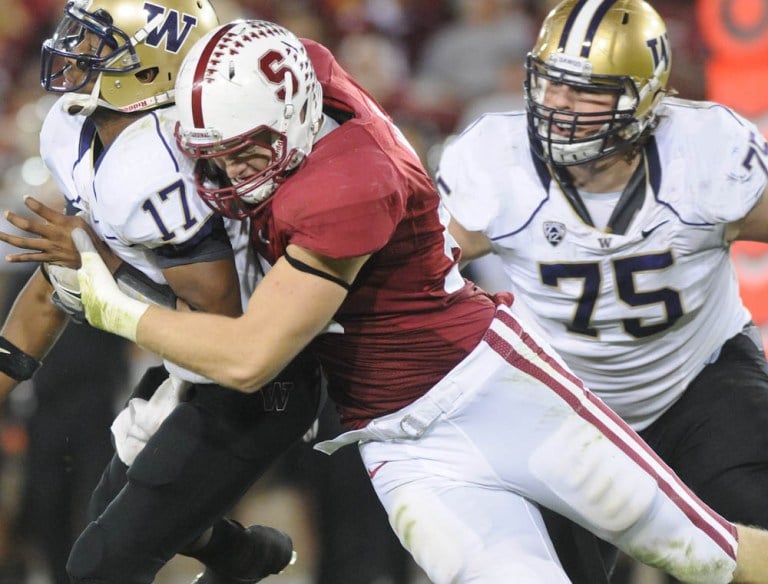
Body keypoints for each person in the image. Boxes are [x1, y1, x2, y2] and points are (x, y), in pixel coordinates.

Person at [69, 17, 768, 583]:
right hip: (395, 439)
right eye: (211, 155)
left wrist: (119, 309)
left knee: (709, 556)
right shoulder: (303, 82)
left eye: (247, 152)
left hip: (495, 393)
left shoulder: (351, 181)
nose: (227, 174)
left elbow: (253, 356)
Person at [0, 1, 323, 582]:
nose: (75, 50)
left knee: (100, 566)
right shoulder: (73, 129)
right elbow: (62, 275)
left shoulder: (157, 159)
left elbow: (219, 322)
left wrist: (100, 268)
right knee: (114, 529)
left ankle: (234, 552)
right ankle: (239, 554)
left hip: (257, 373)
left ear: (150, 69)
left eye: (100, 43)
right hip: (187, 366)